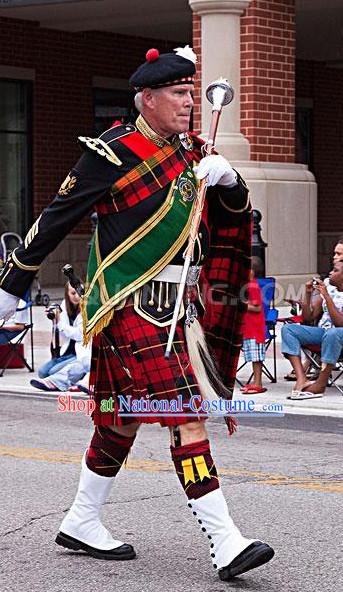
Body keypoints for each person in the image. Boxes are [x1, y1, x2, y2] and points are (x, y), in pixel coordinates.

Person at [0, 46, 274, 581]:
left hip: (179, 311)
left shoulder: (195, 151)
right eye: (178, 94)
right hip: (128, 306)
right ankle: (226, 541)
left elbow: (236, 220)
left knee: (120, 417)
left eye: (192, 93)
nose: (189, 103)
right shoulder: (111, 154)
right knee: (186, 415)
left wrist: (230, 183)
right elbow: (56, 217)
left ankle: (81, 520)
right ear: (147, 99)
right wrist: (12, 285)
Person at [281, 262, 343, 399]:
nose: (330, 273)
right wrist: (308, 294)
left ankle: (320, 383)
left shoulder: (328, 293)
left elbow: (340, 324)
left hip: (339, 336)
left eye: (335, 270)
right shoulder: (330, 290)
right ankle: (301, 378)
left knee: (333, 333)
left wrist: (327, 297)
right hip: (324, 334)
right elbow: (309, 317)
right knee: (288, 330)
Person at [30, 282, 86, 390]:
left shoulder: (87, 309)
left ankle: (77, 377)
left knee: (52, 371)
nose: (77, 296)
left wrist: (59, 322)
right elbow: (62, 334)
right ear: (67, 294)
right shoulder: (65, 305)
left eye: (79, 293)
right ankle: (73, 376)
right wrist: (54, 320)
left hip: (81, 352)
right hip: (67, 352)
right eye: (73, 293)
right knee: (42, 372)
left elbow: (79, 335)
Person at [240, 260, 267, 394]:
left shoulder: (252, 286)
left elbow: (257, 308)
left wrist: (242, 305)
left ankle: (258, 383)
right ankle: (256, 382)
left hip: (255, 329)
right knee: (253, 356)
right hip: (249, 329)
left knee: (256, 358)